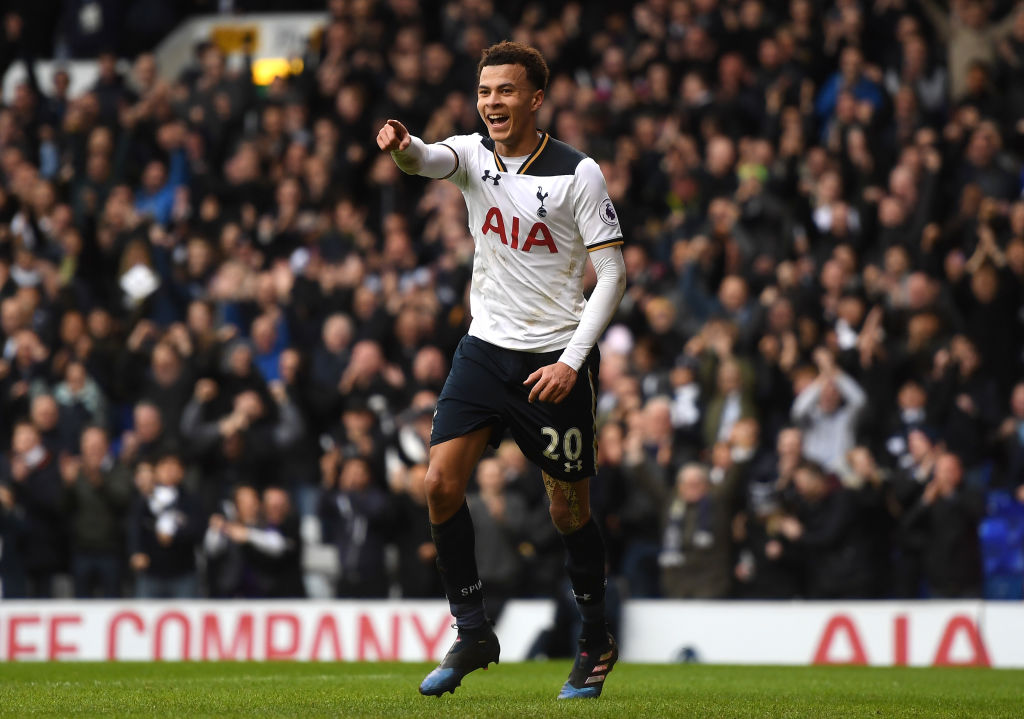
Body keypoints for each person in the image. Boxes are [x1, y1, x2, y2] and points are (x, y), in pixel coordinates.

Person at [377, 40, 626, 699]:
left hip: (555, 357)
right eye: (485, 91)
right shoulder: (473, 156)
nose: (492, 102)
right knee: (438, 483)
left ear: (535, 99)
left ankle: (595, 636)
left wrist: (572, 361)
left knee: (567, 509)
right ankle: (472, 630)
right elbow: (426, 159)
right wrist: (402, 145)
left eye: (506, 91)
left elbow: (612, 275)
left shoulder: (578, 174)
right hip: (485, 348)